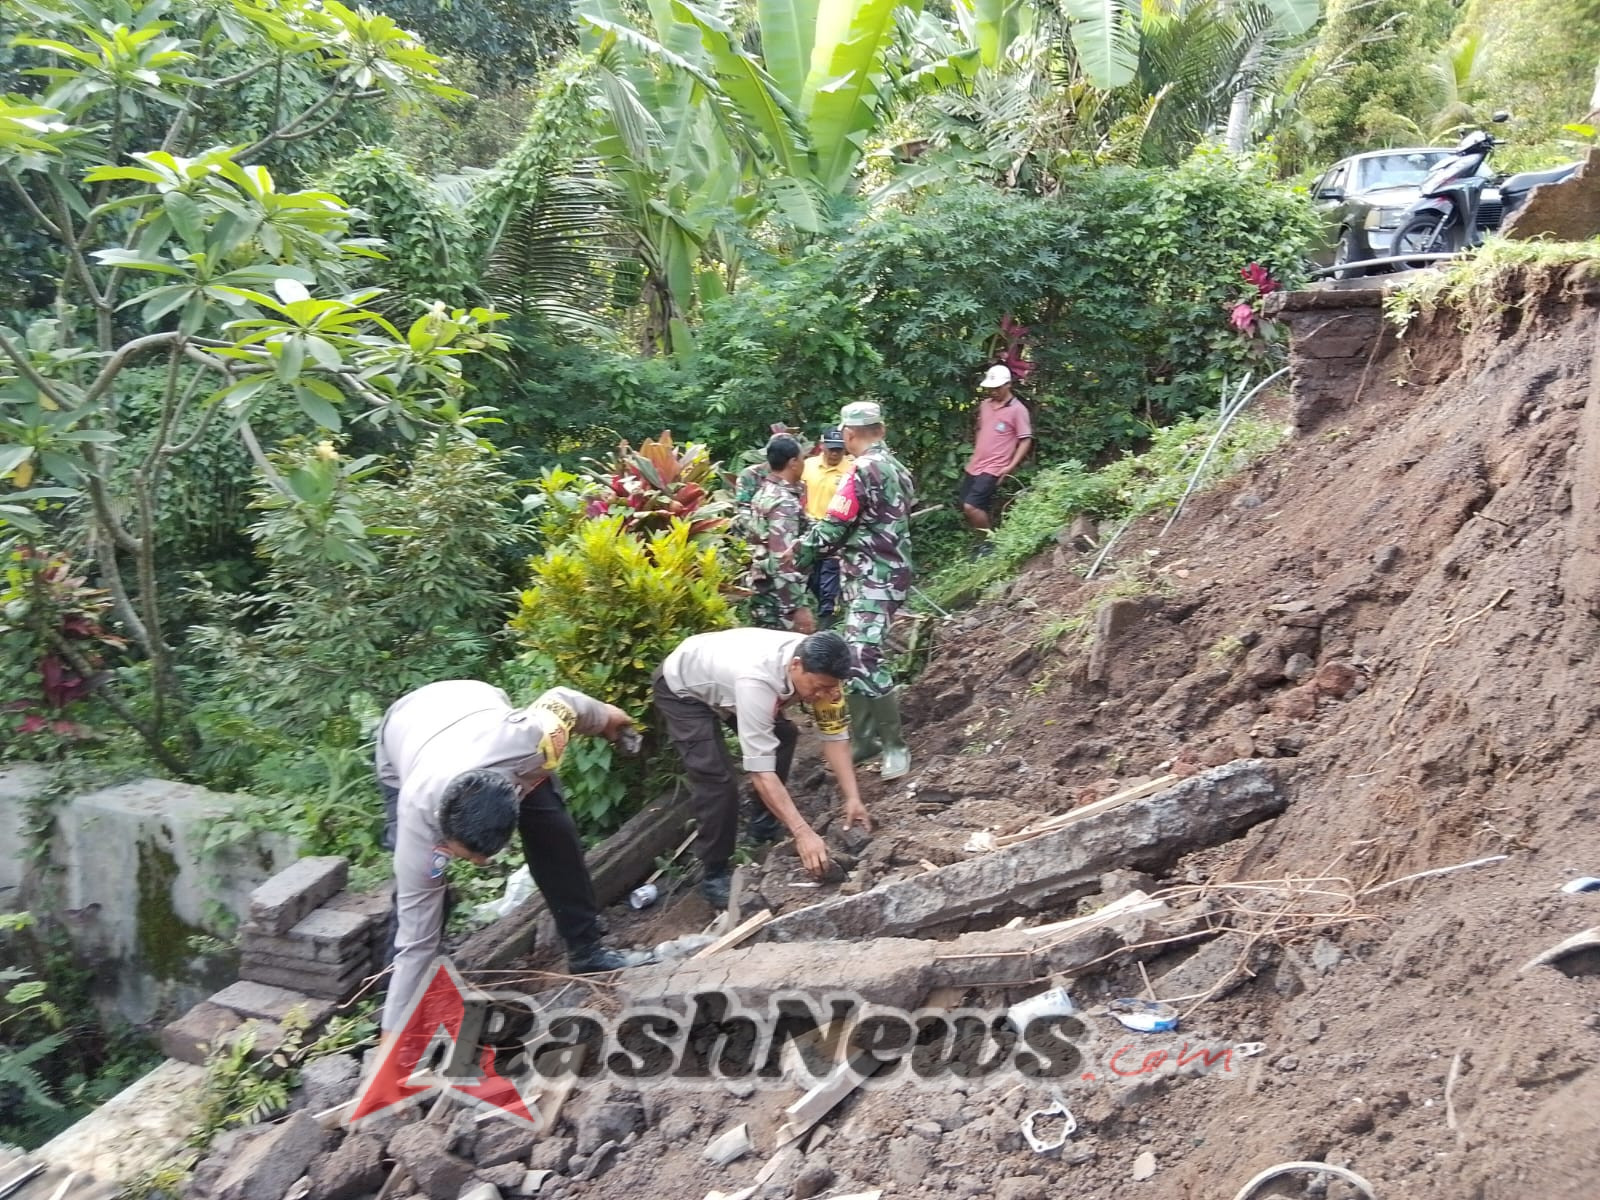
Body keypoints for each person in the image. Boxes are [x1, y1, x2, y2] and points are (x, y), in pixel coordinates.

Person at [374, 680, 653, 1036]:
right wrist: (393, 1041)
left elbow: (566, 701)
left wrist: (607, 718)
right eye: (471, 856)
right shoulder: (418, 820)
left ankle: (587, 951)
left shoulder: (532, 740)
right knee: (420, 896)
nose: (481, 864)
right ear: (443, 833)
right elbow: (417, 943)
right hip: (404, 731)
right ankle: (394, 1007)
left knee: (554, 832)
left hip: (477, 707)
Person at [652, 629, 871, 908]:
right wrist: (802, 833)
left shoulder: (825, 678)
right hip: (682, 684)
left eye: (831, 687)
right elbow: (761, 773)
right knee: (717, 781)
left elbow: (835, 738)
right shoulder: (757, 683)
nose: (824, 694)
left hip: (724, 675)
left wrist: (853, 798)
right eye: (818, 687)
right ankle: (714, 874)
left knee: (783, 736)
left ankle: (763, 826)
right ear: (796, 665)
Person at [798, 402, 915, 780]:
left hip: (874, 576)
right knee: (854, 652)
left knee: (862, 655)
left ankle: (895, 746)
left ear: (848, 434)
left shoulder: (861, 469)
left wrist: (796, 555)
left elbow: (834, 525)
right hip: (879, 573)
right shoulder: (896, 467)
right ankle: (865, 741)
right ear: (881, 429)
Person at [744, 435, 815, 633]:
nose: (804, 464)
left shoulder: (765, 492)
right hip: (779, 600)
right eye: (802, 459)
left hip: (765, 591)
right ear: (793, 462)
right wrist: (797, 608)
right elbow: (782, 559)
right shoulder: (784, 502)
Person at [959, 365, 1033, 543]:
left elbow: (1025, 440)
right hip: (976, 464)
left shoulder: (1018, 410)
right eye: (991, 388)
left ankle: (990, 543)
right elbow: (980, 429)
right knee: (965, 503)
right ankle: (983, 540)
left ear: (1008, 385)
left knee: (971, 506)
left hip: (995, 467)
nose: (993, 392)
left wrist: (1010, 467)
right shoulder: (985, 405)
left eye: (997, 388)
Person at [802, 426, 852, 624]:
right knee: (812, 576)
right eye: (831, 449)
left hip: (836, 530)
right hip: (809, 528)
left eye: (839, 449)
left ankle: (828, 618)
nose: (834, 454)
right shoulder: (808, 466)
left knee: (830, 575)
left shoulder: (851, 469)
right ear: (822, 446)